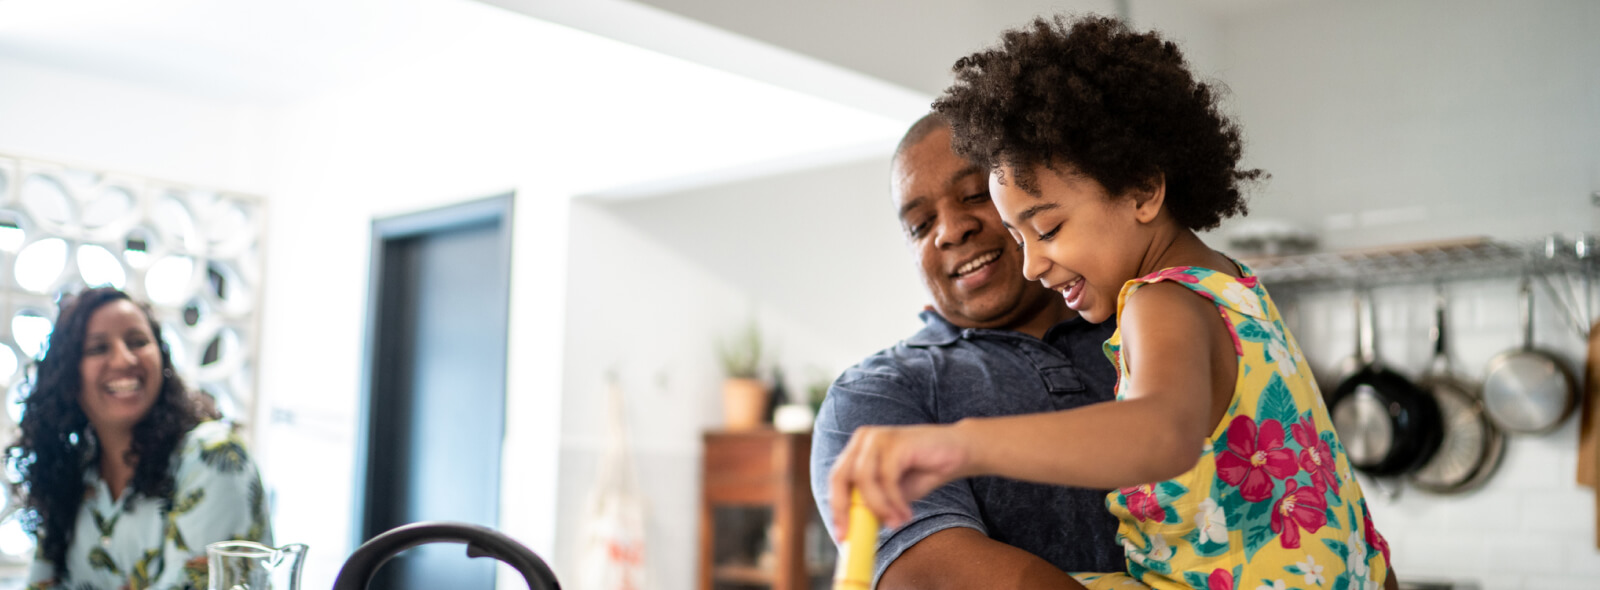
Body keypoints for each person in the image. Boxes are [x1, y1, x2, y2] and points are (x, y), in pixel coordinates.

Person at [827, 15, 1399, 590]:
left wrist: (960, 443)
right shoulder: (1237, 287)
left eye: (1046, 228)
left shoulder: (1160, 302)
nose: (1030, 263)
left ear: (1142, 191)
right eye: (1019, 237)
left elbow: (1159, 433)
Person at [810, 111, 1125, 590]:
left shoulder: (1149, 319)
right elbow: (934, 576)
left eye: (976, 195)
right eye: (919, 224)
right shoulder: (876, 395)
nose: (950, 231)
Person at [8, 287, 272, 590]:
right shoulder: (75, 474)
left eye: (138, 342)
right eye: (98, 348)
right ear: (69, 377)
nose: (124, 359)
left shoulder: (214, 456)